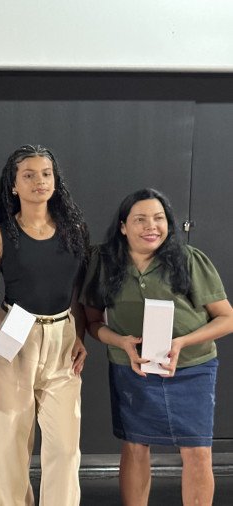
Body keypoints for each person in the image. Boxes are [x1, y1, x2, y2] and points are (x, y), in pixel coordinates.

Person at [80, 188, 233, 506]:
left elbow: (227, 318)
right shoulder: (104, 261)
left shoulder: (189, 259)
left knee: (197, 450)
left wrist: (182, 342)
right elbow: (93, 323)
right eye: (140, 219)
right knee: (135, 446)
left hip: (192, 367)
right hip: (133, 366)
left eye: (159, 218)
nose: (151, 226)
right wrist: (121, 342)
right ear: (123, 226)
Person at [0, 145, 89, 505]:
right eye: (28, 175)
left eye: (46, 174)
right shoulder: (0, 237)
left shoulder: (74, 233)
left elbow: (77, 291)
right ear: (13, 185)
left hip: (62, 335)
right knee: (7, 441)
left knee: (65, 447)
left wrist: (80, 336)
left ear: (55, 181)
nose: (39, 181)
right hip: (15, 332)